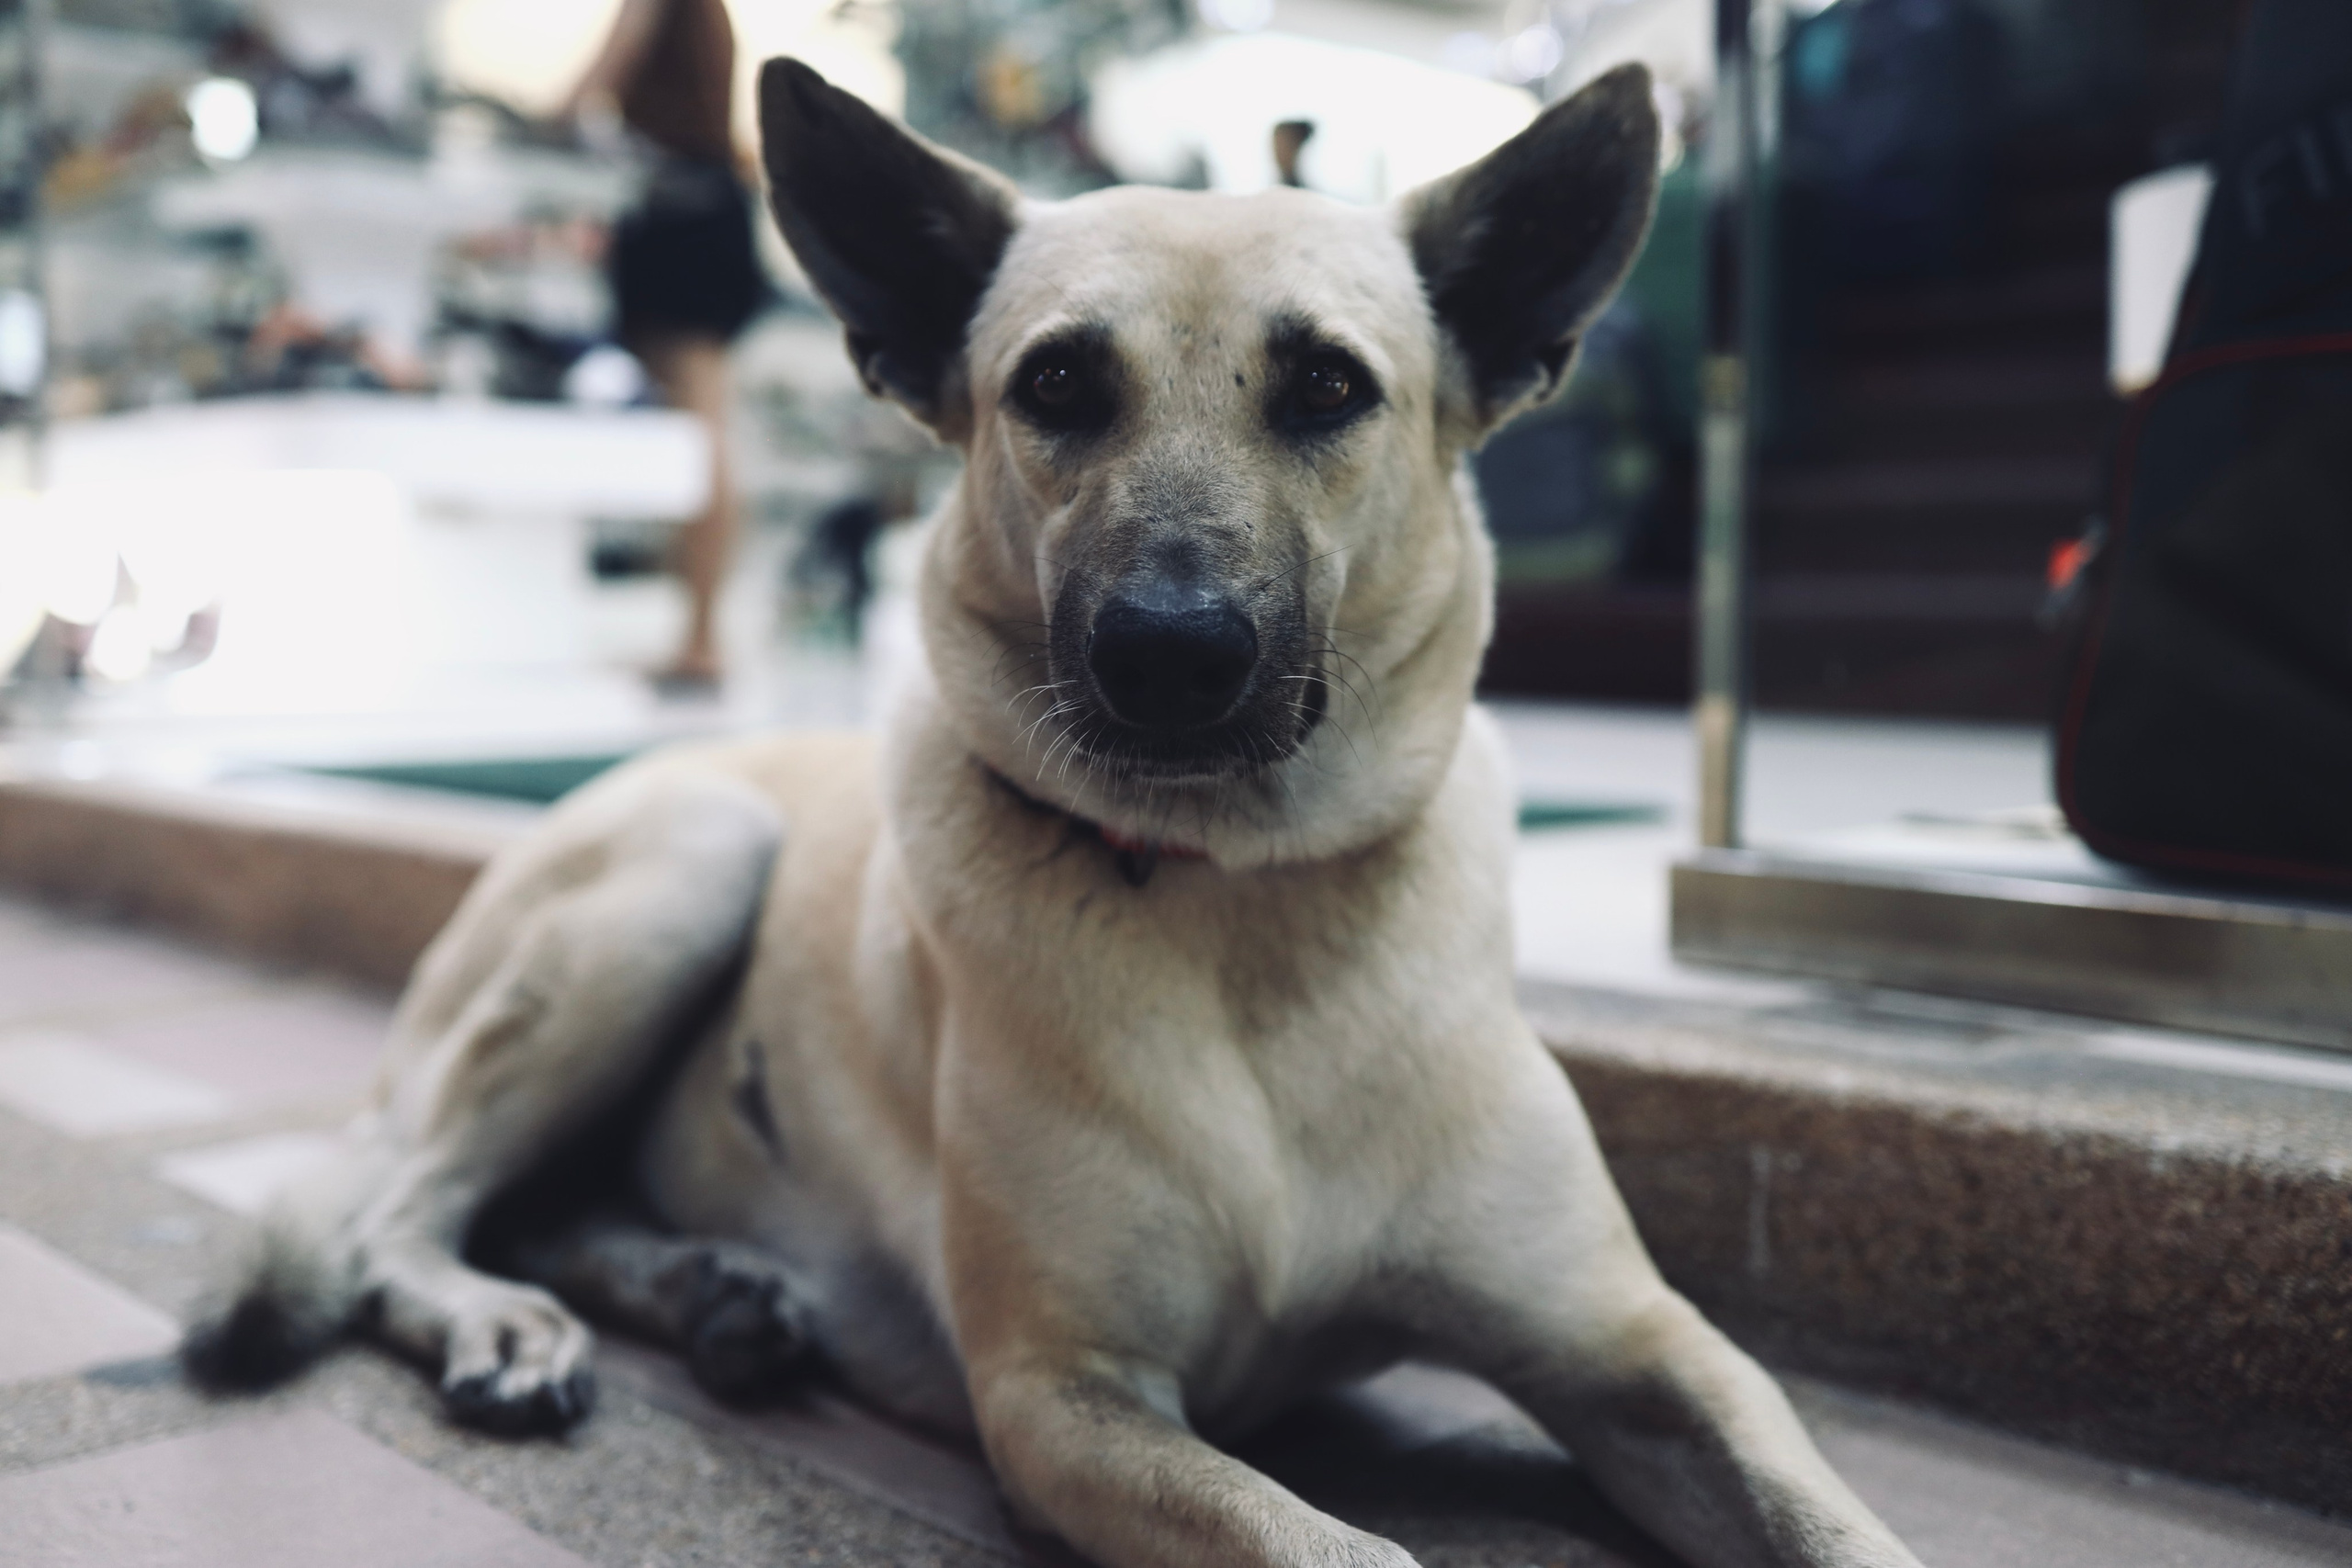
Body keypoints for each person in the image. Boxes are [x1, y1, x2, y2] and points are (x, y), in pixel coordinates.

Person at [562, 0, 765, 692]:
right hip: (707, 215)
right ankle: (700, 634)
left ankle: (702, 639)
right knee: (702, 431)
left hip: (684, 225)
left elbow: (602, 76)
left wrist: (550, 119)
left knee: (700, 437)